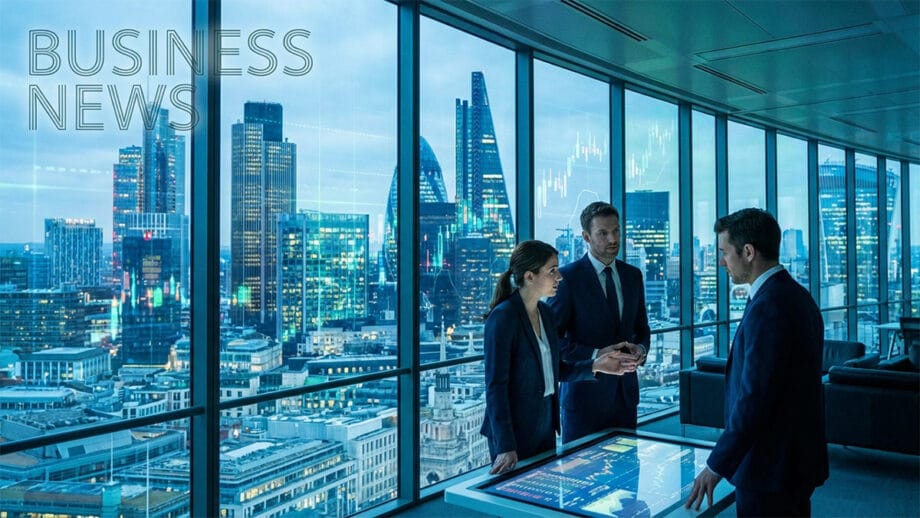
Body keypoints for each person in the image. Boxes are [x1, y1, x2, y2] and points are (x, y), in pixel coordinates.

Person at [686, 208, 828, 517]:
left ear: (748, 252)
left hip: (770, 466)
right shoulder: (797, 296)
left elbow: (755, 399)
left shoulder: (769, 307)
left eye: (725, 252)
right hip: (791, 460)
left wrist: (715, 466)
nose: (722, 261)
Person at [480, 240, 636, 475]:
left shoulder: (545, 313)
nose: (559, 277)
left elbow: (556, 370)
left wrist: (596, 365)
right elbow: (495, 387)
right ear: (530, 277)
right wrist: (505, 445)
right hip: (513, 432)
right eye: (552, 271)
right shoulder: (503, 318)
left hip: (544, 425)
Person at [549, 201, 651, 443]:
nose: (612, 238)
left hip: (625, 398)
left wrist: (642, 349)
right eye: (603, 233)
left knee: (628, 472)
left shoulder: (632, 275)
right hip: (584, 400)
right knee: (581, 475)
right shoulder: (567, 279)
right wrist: (597, 354)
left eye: (616, 231)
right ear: (586, 236)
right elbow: (553, 339)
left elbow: (641, 328)